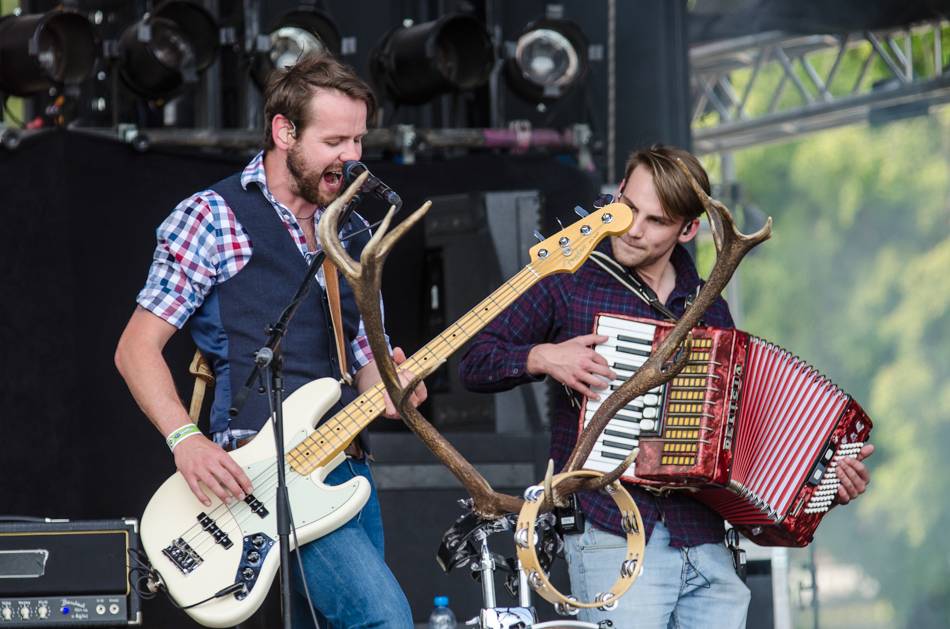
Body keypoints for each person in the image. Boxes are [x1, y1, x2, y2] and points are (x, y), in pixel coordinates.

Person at [459, 144, 873, 627]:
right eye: (628, 208)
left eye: (656, 221)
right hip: (613, 531)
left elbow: (742, 438)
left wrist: (820, 478)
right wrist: (543, 356)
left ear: (688, 229)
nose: (633, 229)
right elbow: (474, 361)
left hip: (705, 540)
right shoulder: (568, 278)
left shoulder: (707, 305)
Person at [114, 53, 425, 628]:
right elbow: (136, 349)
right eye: (335, 140)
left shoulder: (353, 229)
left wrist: (389, 383)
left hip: (346, 467)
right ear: (285, 132)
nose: (352, 157)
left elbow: (360, 360)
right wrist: (186, 439)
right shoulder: (213, 216)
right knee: (384, 619)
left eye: (359, 140)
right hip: (260, 471)